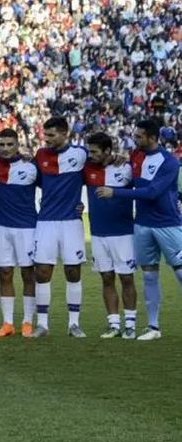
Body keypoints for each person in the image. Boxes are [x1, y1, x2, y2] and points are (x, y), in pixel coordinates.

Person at [97, 118, 182, 341]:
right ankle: (153, 327)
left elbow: (152, 192)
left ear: (152, 138)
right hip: (143, 225)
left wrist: (115, 192)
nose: (134, 139)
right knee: (149, 275)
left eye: (138, 136)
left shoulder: (169, 162)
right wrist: (117, 160)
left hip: (168, 225)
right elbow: (130, 176)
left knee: (180, 272)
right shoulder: (135, 156)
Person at [32, 117, 88, 339]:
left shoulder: (81, 154)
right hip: (46, 221)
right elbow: (35, 180)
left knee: (73, 271)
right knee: (42, 272)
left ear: (65, 134)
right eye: (45, 135)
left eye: (51, 135)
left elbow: (97, 172)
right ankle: (42, 324)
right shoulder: (40, 155)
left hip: (71, 222)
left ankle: (74, 324)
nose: (46, 139)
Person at [84, 132, 138, 339]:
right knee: (106, 277)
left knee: (126, 278)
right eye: (89, 151)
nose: (90, 155)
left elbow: (143, 190)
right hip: (98, 233)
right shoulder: (87, 168)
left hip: (123, 233)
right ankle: (114, 324)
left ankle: (130, 325)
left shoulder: (126, 168)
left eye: (94, 152)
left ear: (107, 151)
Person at [0, 129, 38, 337]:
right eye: (2, 144)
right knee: (5, 273)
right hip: (1, 227)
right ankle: (8, 323)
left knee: (28, 274)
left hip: (27, 227)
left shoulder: (31, 166)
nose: (5, 148)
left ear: (18, 145)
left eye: (10, 144)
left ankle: (27, 321)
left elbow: (55, 186)